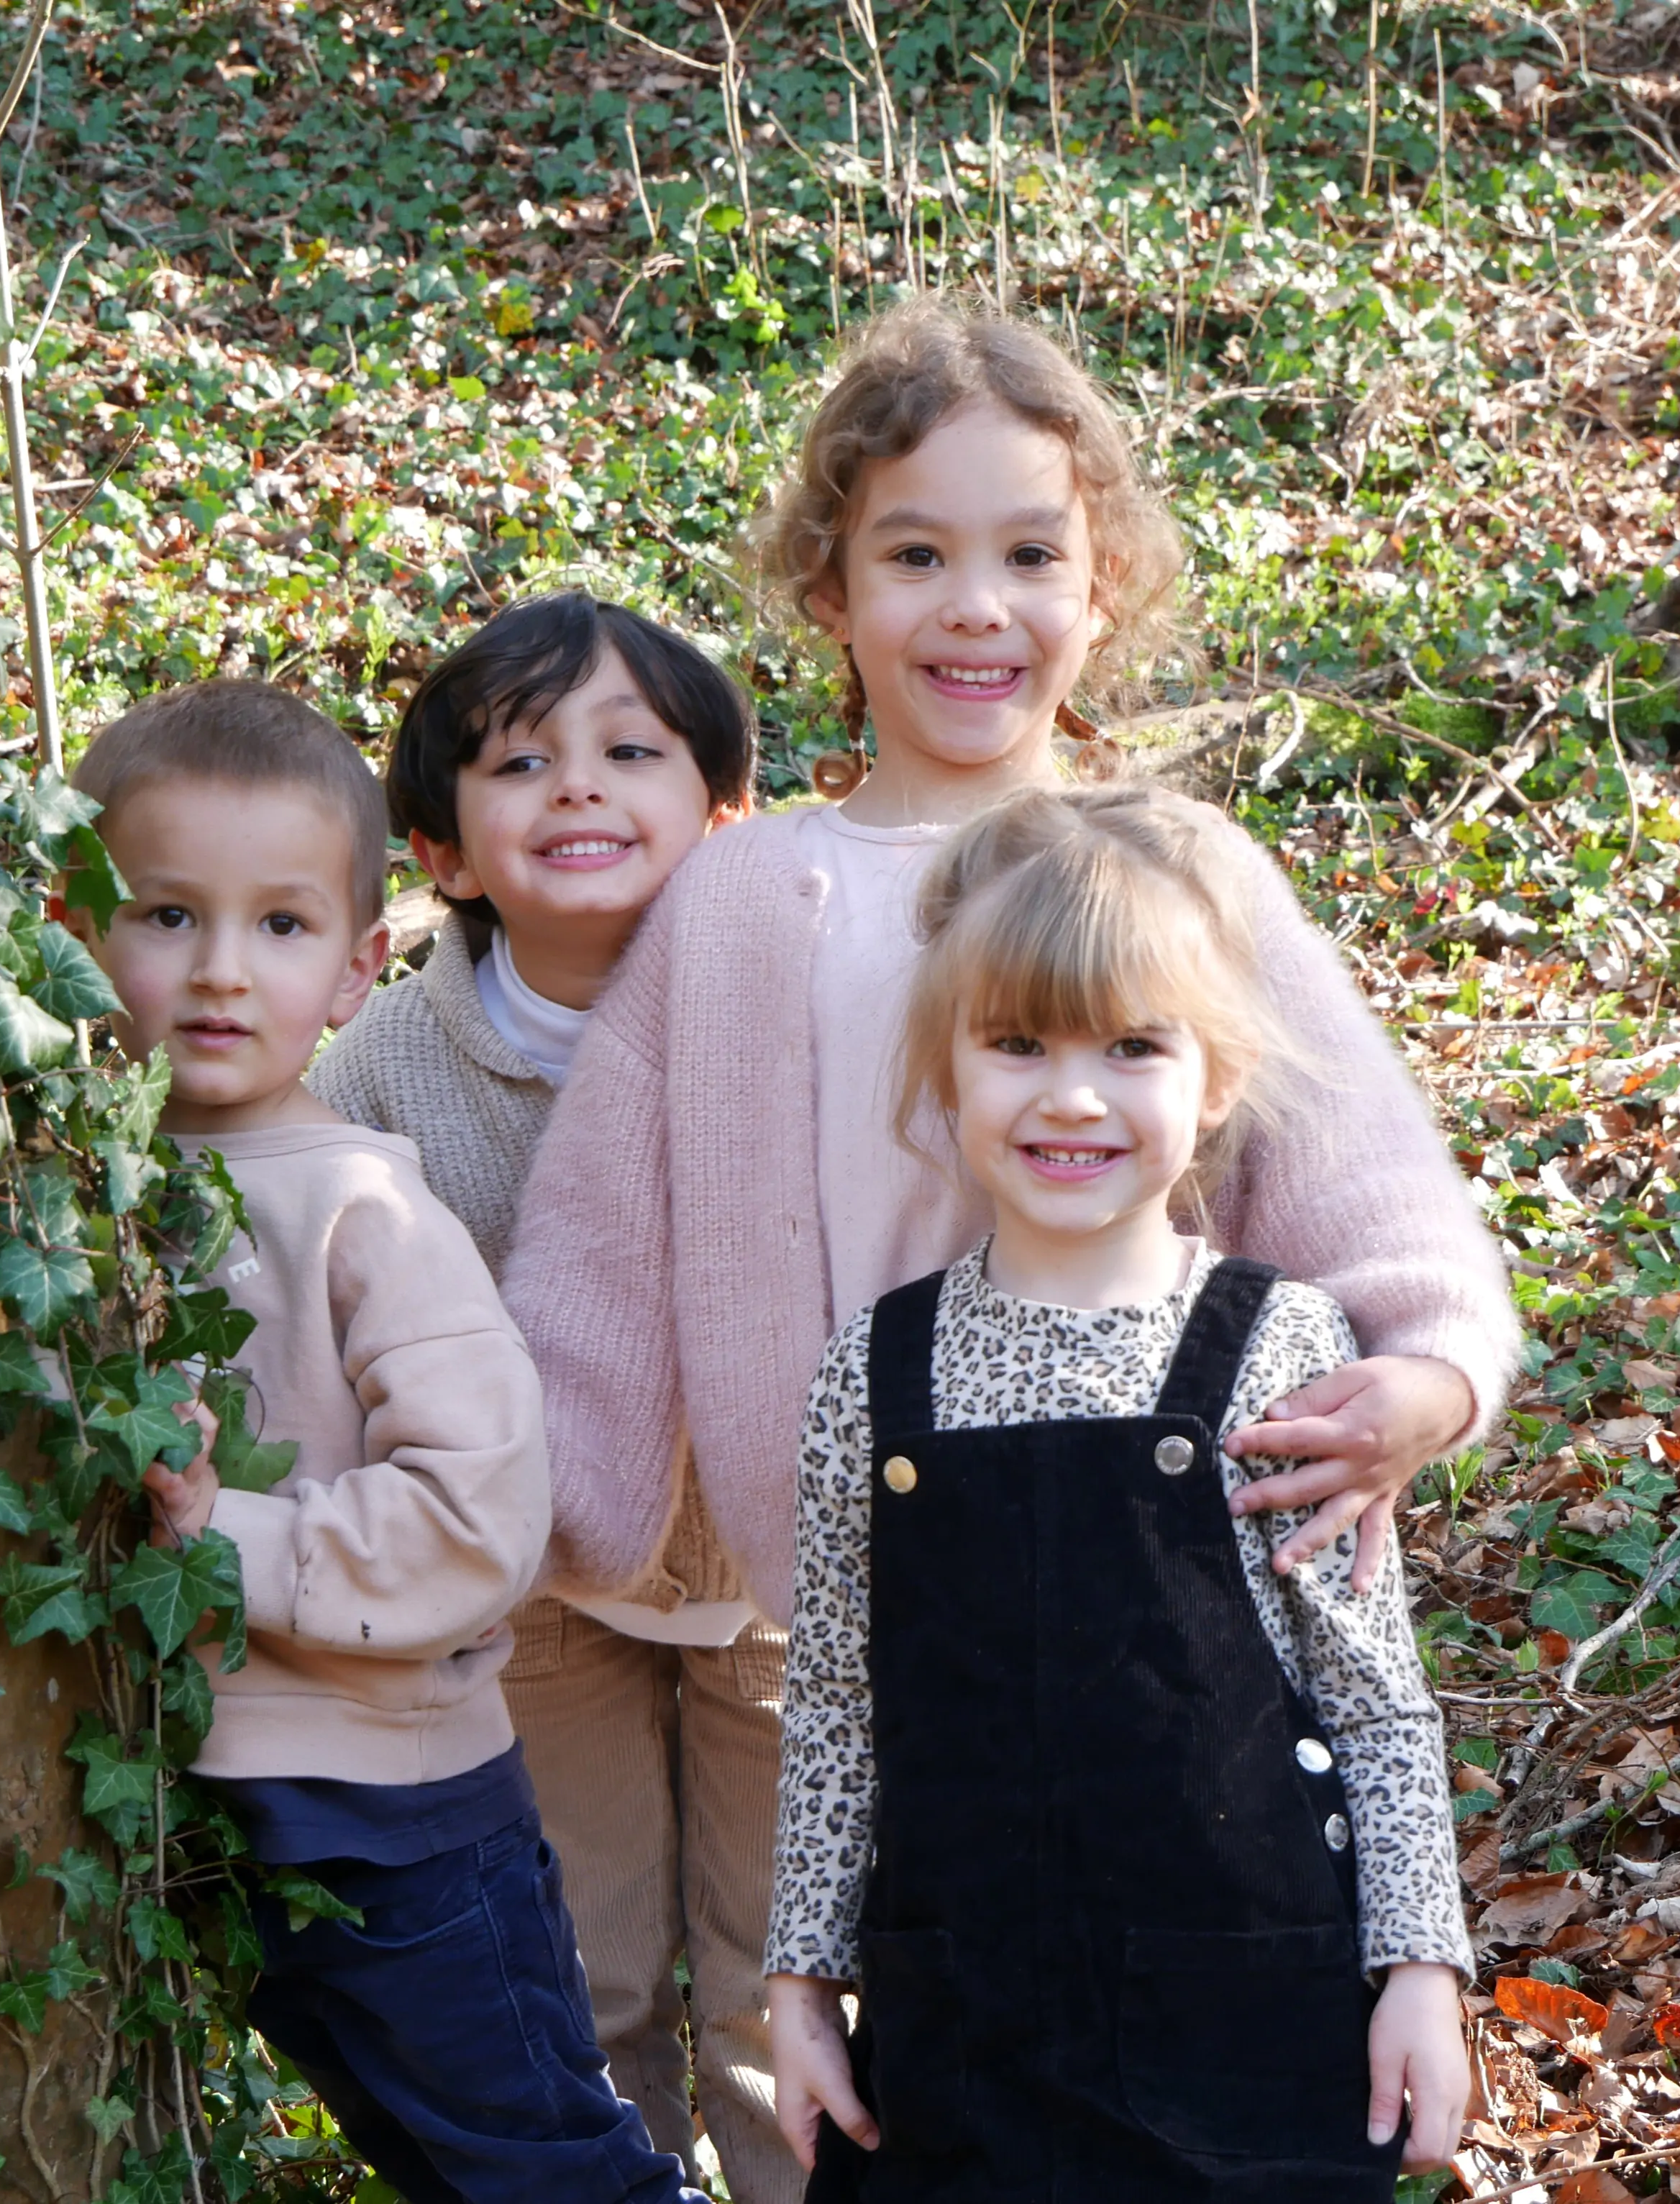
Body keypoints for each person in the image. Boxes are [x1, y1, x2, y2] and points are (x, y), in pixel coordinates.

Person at [505, 294, 1521, 1700]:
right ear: (828, 589)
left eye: (1031, 554)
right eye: (914, 553)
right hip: (837, 1636)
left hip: (1154, 1604)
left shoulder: (1183, 877)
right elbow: (593, 1259)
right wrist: (494, 1503)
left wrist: (1429, 1378)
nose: (975, 604)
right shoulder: (733, 904)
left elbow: (1373, 1184)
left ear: (1100, 589)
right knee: (833, 1924)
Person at [764, 783, 1474, 2198]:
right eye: (1016, 1043)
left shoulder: (1274, 1342)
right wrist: (798, 1981)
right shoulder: (876, 1370)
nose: (1070, 1093)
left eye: (1130, 1046)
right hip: (959, 2032)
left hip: (1242, 2026)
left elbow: (1371, 1689)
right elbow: (839, 1699)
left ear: (1208, 1079)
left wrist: (1418, 1966)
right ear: (946, 1070)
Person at [64, 678, 705, 2204]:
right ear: (76, 930)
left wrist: (228, 1536)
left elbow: (480, 1515)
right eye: (164, 915)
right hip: (202, 1798)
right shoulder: (69, 1196)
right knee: (431, 2166)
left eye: (279, 927)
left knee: (547, 2168)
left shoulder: (366, 1210)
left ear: (359, 969)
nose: (219, 971)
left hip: (396, 1817)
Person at [309, 593, 803, 2203]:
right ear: (444, 850)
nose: (578, 787)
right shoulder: (386, 1067)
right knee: (580, 1970)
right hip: (529, 1591)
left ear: (721, 816)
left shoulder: (798, 1008)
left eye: (629, 752)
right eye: (522, 762)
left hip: (776, 1575)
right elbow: (301, 1275)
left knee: (784, 1975)